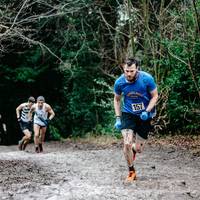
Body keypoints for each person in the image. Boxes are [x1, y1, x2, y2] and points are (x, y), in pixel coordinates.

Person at [113, 58, 158, 182]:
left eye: (131, 71)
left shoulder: (147, 79)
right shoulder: (120, 82)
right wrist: (118, 118)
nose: (128, 74)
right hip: (128, 114)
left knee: (138, 148)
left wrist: (147, 111)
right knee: (126, 143)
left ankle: (133, 149)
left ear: (137, 69)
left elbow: (155, 96)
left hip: (145, 115)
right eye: (126, 71)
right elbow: (116, 100)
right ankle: (131, 171)